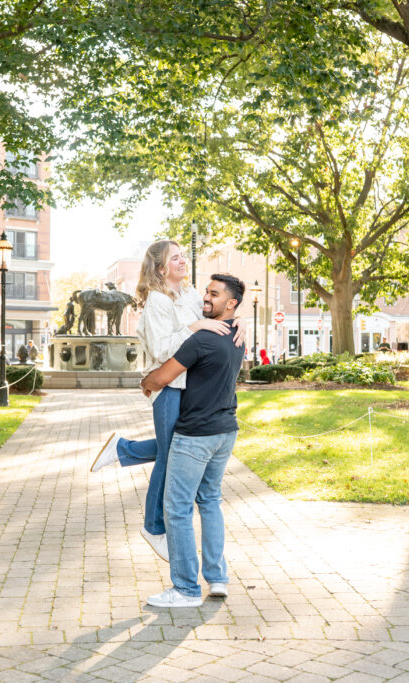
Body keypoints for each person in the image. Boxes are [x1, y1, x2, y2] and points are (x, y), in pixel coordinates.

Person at [90, 240, 244, 561]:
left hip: (187, 386)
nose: (182, 261)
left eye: (182, 255)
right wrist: (195, 326)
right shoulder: (157, 302)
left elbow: (214, 314)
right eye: (175, 258)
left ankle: (122, 449)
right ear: (161, 269)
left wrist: (238, 319)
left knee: (174, 447)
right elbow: (162, 350)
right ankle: (153, 527)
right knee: (170, 455)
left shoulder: (189, 294)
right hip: (168, 387)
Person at [139, 274, 246, 607]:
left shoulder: (202, 339)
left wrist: (145, 381)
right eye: (206, 292)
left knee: (177, 508)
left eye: (214, 294)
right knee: (210, 501)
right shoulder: (237, 334)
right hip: (225, 431)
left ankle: (186, 589)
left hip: (196, 434)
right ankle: (217, 578)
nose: (206, 298)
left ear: (231, 303)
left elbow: (162, 377)